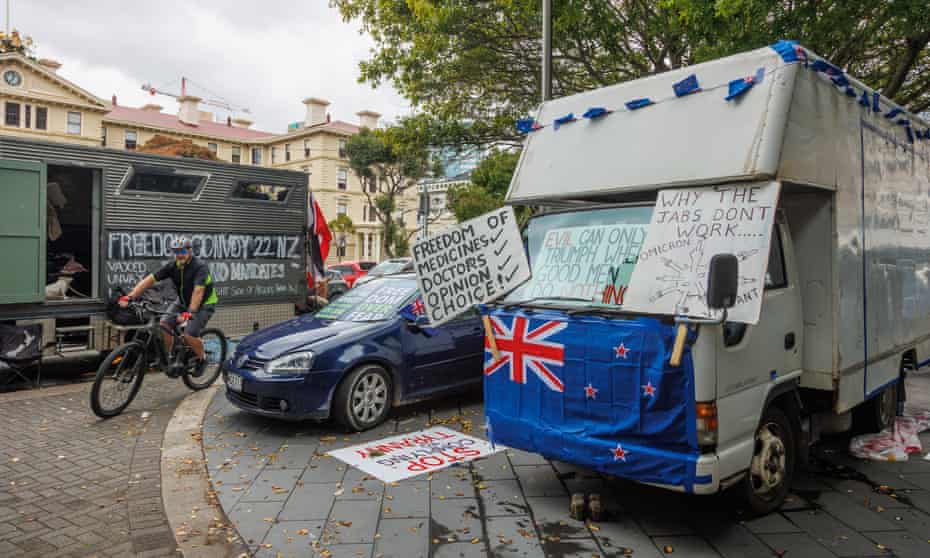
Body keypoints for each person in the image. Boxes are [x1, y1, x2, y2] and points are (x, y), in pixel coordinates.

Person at [119, 237, 218, 373]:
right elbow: (148, 280)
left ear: (190, 250)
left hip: (204, 304)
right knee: (164, 325)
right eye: (176, 251)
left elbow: (198, 291)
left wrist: (190, 312)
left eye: (182, 250)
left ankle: (202, 359)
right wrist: (130, 296)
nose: (179, 254)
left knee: (189, 334)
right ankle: (170, 357)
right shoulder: (172, 266)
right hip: (183, 301)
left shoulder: (199, 267)